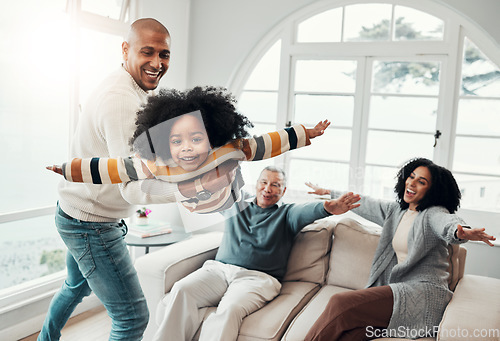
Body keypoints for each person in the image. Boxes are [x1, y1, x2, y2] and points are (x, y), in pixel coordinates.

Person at [38, 18, 181, 341]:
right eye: (148, 52)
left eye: (165, 54)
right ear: (125, 49)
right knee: (132, 318)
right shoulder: (122, 101)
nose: (158, 63)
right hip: (92, 224)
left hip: (75, 210)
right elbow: (132, 188)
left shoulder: (132, 89)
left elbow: (138, 155)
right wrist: (190, 190)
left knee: (75, 287)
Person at [152, 166, 361, 341]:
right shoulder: (236, 203)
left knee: (230, 309)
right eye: (264, 182)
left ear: (284, 190)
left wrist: (329, 207)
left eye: (275, 185)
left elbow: (309, 210)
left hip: (257, 279)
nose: (267, 189)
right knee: (181, 290)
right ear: (257, 184)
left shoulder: (287, 214)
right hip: (219, 271)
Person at [47, 86, 330, 213]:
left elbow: (264, 144)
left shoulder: (226, 150)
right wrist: (69, 170)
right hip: (194, 201)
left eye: (197, 139)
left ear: (212, 137)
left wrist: (305, 133)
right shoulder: (158, 163)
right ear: (164, 144)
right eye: (177, 141)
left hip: (225, 197)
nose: (187, 149)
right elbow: (114, 169)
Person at [304, 157, 496, 341]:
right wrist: (329, 192)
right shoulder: (395, 211)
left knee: (340, 303)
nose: (411, 183)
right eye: (411, 177)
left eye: (421, 182)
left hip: (424, 294)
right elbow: (365, 202)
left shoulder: (432, 214)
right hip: (399, 288)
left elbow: (448, 223)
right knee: (352, 334)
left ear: (432, 191)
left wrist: (462, 232)